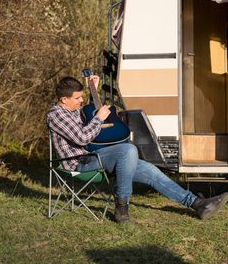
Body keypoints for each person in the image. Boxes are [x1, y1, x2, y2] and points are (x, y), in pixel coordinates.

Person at [47, 75, 228, 224]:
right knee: (128, 151)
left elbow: (90, 123)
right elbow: (82, 137)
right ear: (64, 99)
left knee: (148, 168)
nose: (81, 101)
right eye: (77, 98)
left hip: (95, 157)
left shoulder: (73, 110)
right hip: (79, 164)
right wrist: (99, 118)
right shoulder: (56, 115)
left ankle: (197, 204)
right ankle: (121, 208)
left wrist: (93, 88)